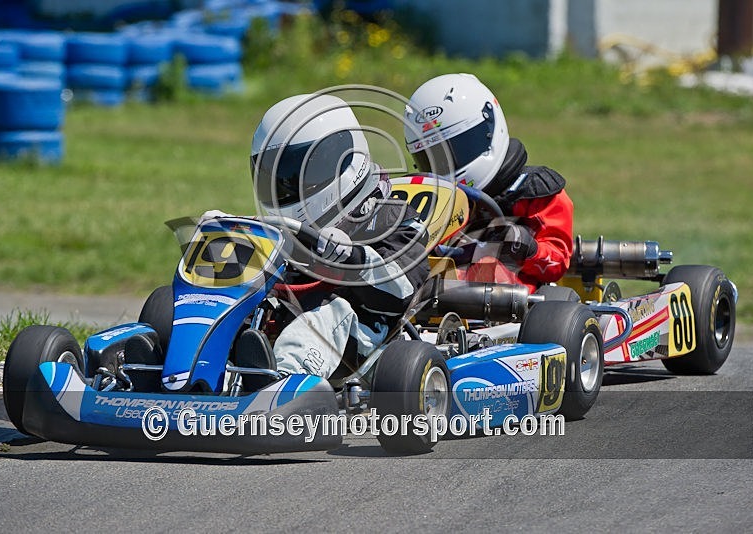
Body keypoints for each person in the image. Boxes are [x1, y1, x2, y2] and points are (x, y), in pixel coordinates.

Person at [246, 92, 430, 379]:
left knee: (328, 313)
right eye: (277, 175)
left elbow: (402, 289)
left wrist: (354, 258)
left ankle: (283, 383)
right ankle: (187, 372)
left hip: (362, 335)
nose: (287, 185)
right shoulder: (283, 231)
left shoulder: (392, 218)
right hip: (284, 318)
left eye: (298, 174)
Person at [403, 73, 574, 293]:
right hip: (436, 291)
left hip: (512, 303)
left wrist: (527, 247)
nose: (446, 165)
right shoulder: (432, 199)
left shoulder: (534, 192)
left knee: (488, 268)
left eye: (458, 149)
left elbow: (557, 262)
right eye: (432, 157)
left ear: (489, 127)